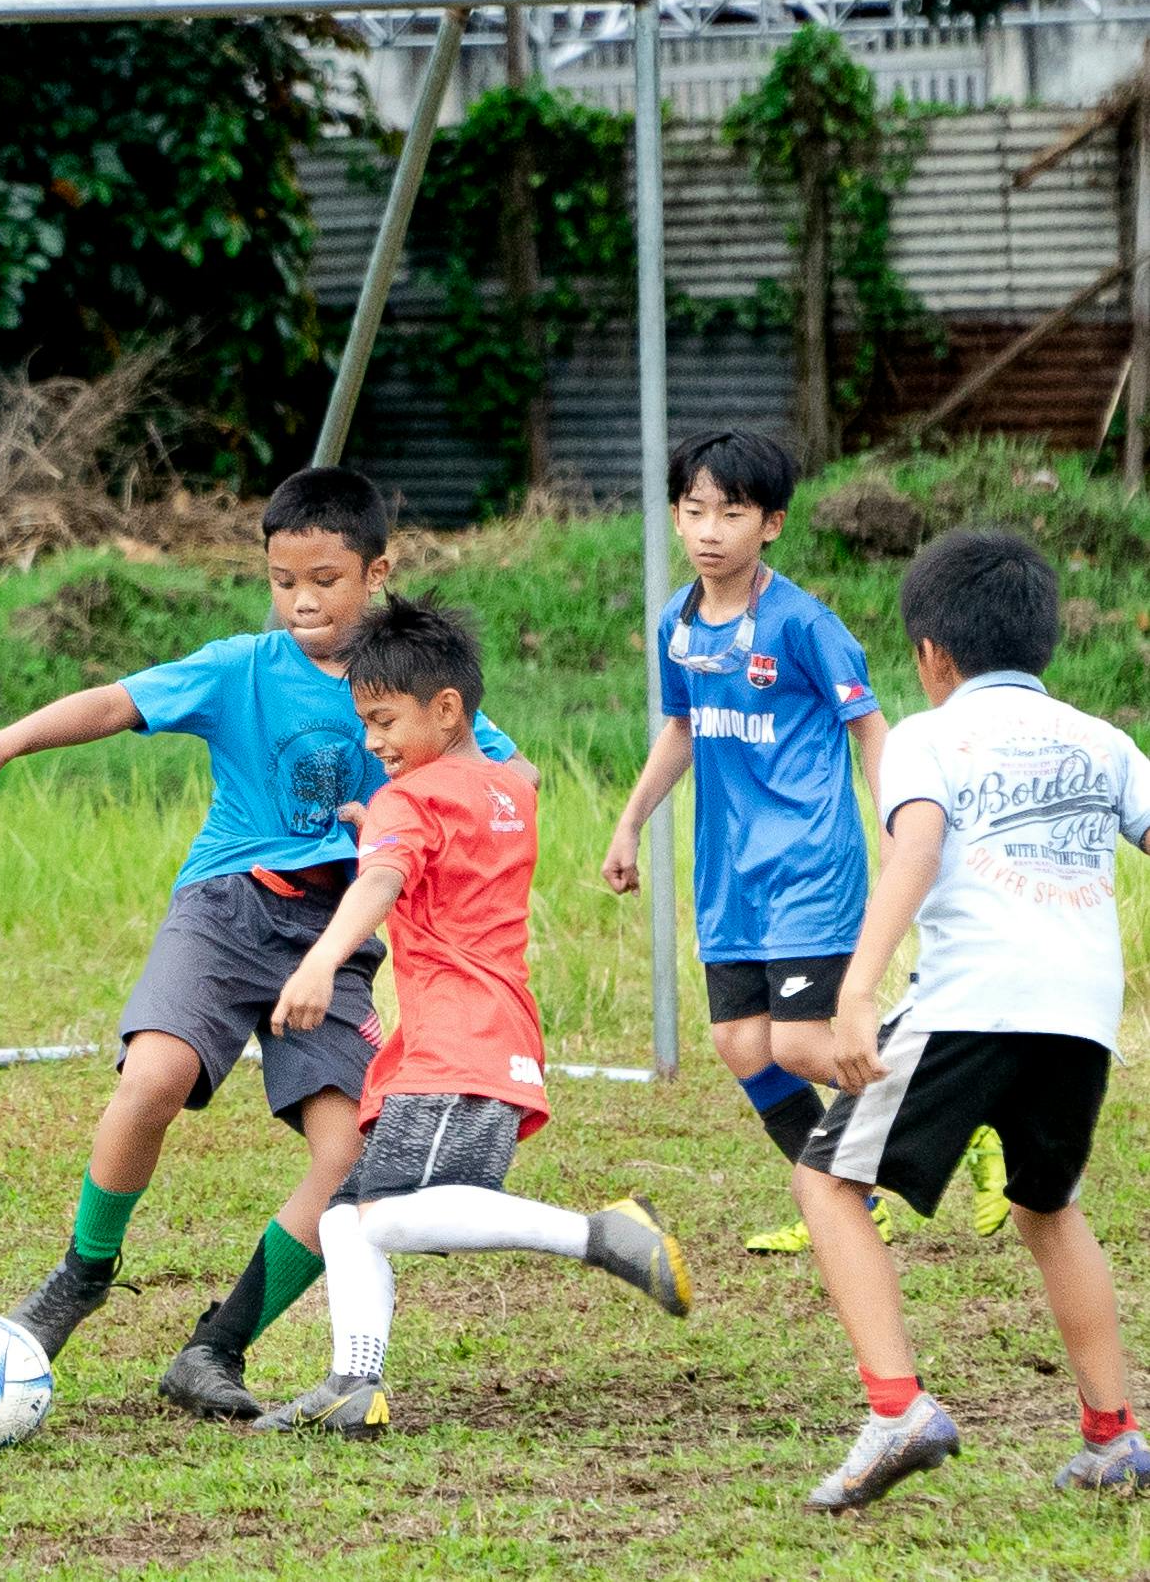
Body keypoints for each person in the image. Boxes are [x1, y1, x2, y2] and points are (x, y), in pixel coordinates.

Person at [0, 467, 540, 1422]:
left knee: (348, 1157)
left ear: (377, 572)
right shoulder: (240, 668)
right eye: (283, 580)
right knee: (154, 1076)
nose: (302, 602)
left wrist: (411, 811)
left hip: (336, 932)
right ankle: (81, 1274)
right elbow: (114, 702)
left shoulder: (410, 689)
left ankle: (216, 1346)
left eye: (325, 580)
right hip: (227, 907)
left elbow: (511, 772)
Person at [252, 593, 691, 1441]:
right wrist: (381, 823)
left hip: (458, 1044)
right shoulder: (504, 788)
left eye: (383, 720)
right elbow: (497, 796)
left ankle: (600, 1234)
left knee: (389, 1215)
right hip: (488, 1038)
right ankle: (354, 1382)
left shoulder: (407, 804)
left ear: (447, 708)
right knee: (345, 1216)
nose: (372, 742)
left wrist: (321, 958)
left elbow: (386, 878)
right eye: (365, 722)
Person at [794, 530, 1150, 1509]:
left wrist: (857, 990)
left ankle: (896, 1408)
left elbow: (914, 850)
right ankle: (1113, 1435)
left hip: (971, 1000)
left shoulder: (925, 734)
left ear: (932, 655)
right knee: (1047, 1203)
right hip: (1080, 1013)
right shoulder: (1103, 739)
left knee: (826, 1179)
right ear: (1044, 641)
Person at [600, 429, 1005, 1253]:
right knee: (740, 1043)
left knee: (796, 1039)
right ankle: (855, 1198)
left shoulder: (804, 623)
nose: (710, 530)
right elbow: (682, 726)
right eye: (695, 511)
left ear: (772, 523)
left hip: (808, 864)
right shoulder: (677, 622)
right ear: (675, 516)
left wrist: (896, 825)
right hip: (727, 873)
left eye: (732, 513)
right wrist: (630, 821)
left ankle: (968, 1108)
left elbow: (869, 725)